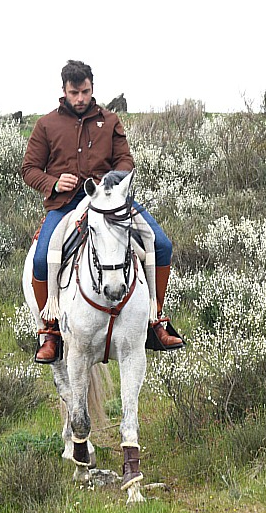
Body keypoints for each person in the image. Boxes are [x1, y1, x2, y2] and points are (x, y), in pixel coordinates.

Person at [21, 60, 185, 363]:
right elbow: (29, 169)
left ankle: (156, 320)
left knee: (161, 245)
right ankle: (51, 332)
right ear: (64, 91)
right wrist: (53, 182)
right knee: (42, 260)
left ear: (92, 88)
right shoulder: (46, 125)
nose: (80, 98)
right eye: (74, 93)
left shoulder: (110, 121)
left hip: (109, 202)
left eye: (85, 92)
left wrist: (111, 180)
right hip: (66, 204)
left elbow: (125, 161)